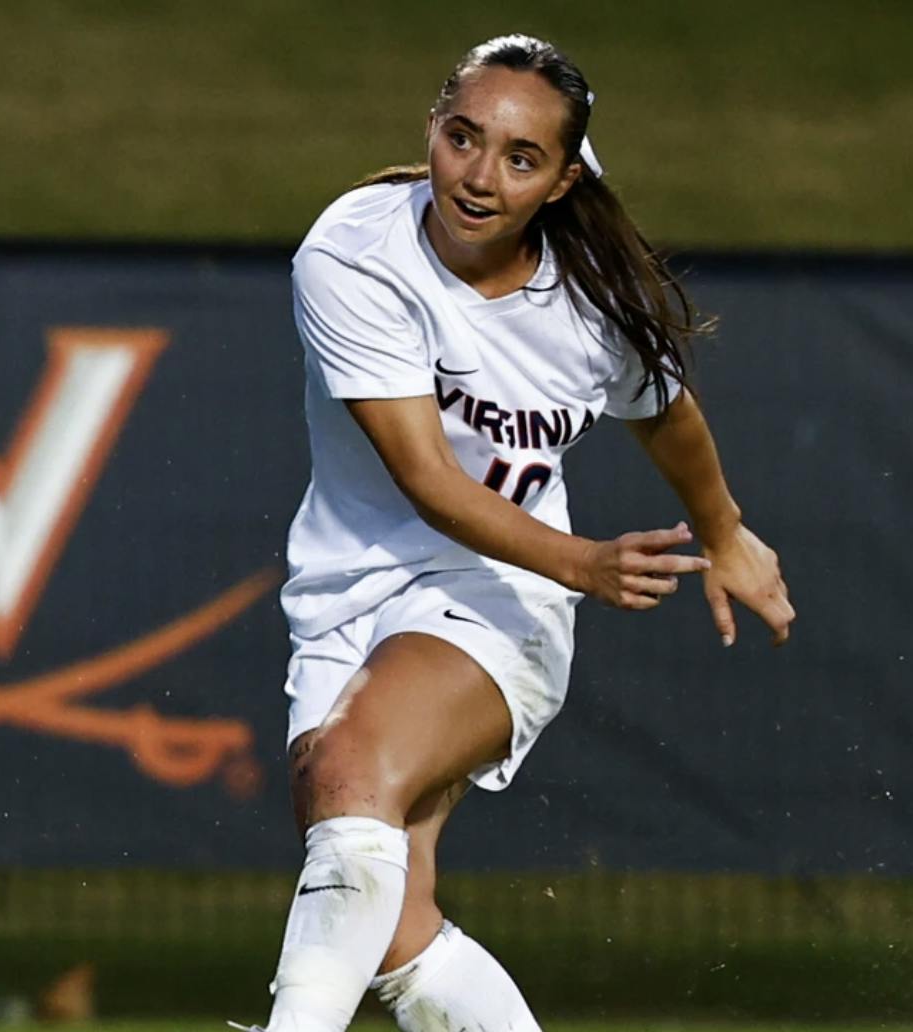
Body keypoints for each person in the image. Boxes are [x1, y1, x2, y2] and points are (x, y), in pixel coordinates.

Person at [258, 34, 795, 1032]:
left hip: (504, 591)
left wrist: (720, 533)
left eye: (518, 157)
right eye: (462, 138)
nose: (476, 175)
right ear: (430, 126)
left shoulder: (591, 298)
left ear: (558, 181)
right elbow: (422, 476)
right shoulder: (352, 252)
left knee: (345, 771)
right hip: (348, 597)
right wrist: (586, 561)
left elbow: (663, 413)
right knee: (391, 920)